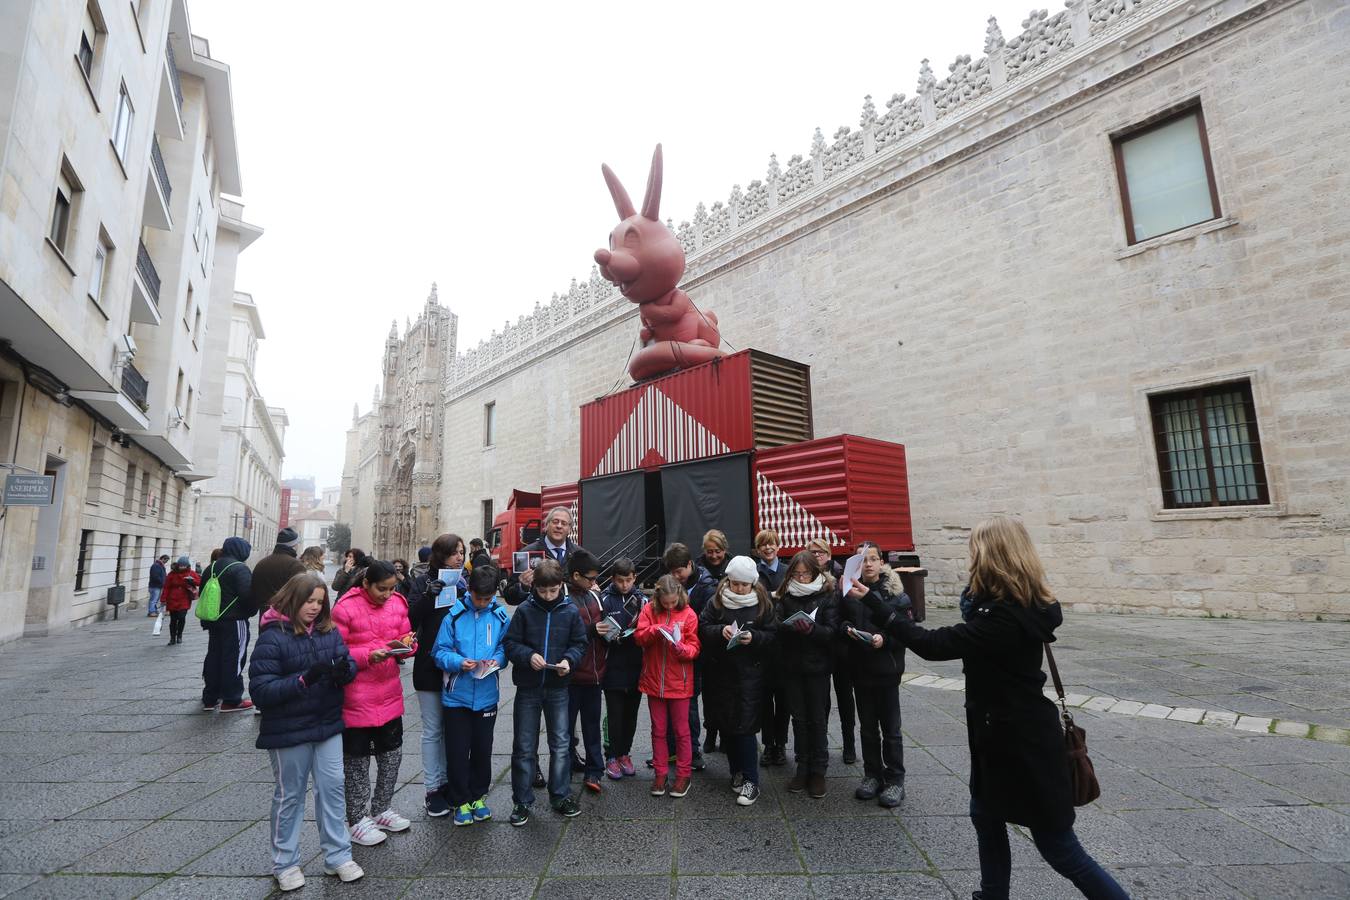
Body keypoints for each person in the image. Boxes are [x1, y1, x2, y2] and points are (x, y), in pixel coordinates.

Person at [862, 517, 1130, 900]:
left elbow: (934, 645)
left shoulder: (1005, 617)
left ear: (992, 555)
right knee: (985, 818)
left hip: (1022, 745)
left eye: (974, 547)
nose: (970, 554)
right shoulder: (1007, 605)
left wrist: (875, 603)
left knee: (1061, 850)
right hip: (998, 738)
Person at [248, 572, 363, 890]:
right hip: (289, 728)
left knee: (333, 789)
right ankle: (285, 862)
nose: (314, 607)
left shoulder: (328, 631)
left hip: (326, 723)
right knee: (290, 796)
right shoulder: (273, 635)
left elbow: (346, 660)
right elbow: (261, 690)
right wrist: (303, 680)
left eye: (319, 602)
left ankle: (338, 856)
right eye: (309, 601)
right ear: (293, 600)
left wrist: (345, 671)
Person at [332, 560, 415, 847]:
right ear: (365, 583)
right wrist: (369, 654)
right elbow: (336, 650)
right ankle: (356, 817)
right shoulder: (345, 607)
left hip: (389, 691)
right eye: (382, 589)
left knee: (392, 756)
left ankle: (382, 808)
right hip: (356, 696)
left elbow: (406, 635)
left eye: (392, 589)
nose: (388, 595)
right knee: (356, 762)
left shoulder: (398, 603)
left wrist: (407, 645)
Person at [502, 558, 586, 826]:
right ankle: (522, 801)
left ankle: (560, 795)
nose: (548, 596)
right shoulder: (525, 610)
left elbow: (579, 643)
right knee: (524, 746)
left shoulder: (570, 610)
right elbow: (511, 644)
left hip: (558, 687)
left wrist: (569, 661)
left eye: (552, 590)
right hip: (528, 686)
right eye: (542, 591)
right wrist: (529, 656)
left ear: (561, 585)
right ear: (534, 587)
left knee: (561, 744)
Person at [432, 564, 509, 827]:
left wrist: (496, 661)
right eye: (479, 598)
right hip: (457, 696)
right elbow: (439, 651)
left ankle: (478, 795)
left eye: (488, 599)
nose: (483, 603)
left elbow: (504, 647)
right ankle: (460, 799)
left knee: (482, 749)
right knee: (457, 749)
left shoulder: (499, 615)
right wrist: (457, 661)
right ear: (470, 591)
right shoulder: (454, 615)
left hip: (487, 694)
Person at [698, 555, 777, 807]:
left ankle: (751, 780)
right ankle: (736, 772)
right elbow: (702, 627)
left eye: (744, 584)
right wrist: (719, 632)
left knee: (745, 728)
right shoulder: (717, 601)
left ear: (753, 583)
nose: (739, 588)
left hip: (750, 675)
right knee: (728, 725)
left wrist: (753, 637)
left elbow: (774, 635)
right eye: (735, 584)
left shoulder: (763, 603)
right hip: (721, 674)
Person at [838, 541, 910, 808]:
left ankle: (895, 780)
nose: (867, 564)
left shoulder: (896, 595)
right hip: (860, 668)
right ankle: (872, 775)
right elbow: (840, 619)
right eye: (862, 560)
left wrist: (884, 640)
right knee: (868, 728)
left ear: (882, 562)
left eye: (872, 559)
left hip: (887, 669)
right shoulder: (849, 593)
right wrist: (847, 629)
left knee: (891, 729)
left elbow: (905, 631)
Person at [408, 533, 466, 817]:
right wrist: (428, 596)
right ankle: (432, 788)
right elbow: (410, 619)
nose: (460, 557)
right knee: (432, 729)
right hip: (429, 662)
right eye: (455, 553)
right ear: (441, 554)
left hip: (457, 664)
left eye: (462, 552)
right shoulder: (421, 581)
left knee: (453, 728)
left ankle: (449, 781)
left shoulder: (464, 582)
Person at [773, 549, 839, 799]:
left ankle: (818, 770)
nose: (801, 579)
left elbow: (832, 631)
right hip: (792, 665)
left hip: (817, 666)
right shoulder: (784, 595)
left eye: (806, 574)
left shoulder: (827, 594)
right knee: (798, 718)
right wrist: (790, 628)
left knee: (817, 718)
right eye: (797, 574)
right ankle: (802, 765)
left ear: (815, 573)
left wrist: (812, 630)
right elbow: (776, 625)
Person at [635, 574, 701, 799]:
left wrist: (682, 649)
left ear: (680, 596)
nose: (670, 605)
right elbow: (639, 638)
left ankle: (683, 775)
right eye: (666, 603)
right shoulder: (649, 611)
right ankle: (661, 773)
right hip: (655, 681)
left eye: (673, 602)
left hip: (679, 682)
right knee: (658, 730)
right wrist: (654, 630)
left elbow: (694, 648)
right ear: (658, 597)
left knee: (682, 732)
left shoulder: (689, 614)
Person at [662, 543, 716, 769]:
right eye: (672, 572)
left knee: (690, 705)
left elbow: (705, 622)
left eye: (680, 572)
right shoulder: (671, 584)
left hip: (695, 656)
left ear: (690, 565)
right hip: (673, 655)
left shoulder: (706, 587)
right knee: (671, 706)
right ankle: (673, 750)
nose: (676, 577)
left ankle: (692, 752)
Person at [564, 551, 608, 794]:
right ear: (576, 575)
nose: (594, 583)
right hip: (572, 674)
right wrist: (592, 630)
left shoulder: (594, 595)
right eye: (590, 578)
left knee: (592, 725)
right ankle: (567, 764)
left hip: (595, 672)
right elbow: (565, 631)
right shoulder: (563, 597)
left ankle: (594, 770)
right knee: (566, 727)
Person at [809, 538, 855, 765]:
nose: (817, 556)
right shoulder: (807, 578)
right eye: (813, 552)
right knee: (822, 699)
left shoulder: (840, 578)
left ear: (829, 555)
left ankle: (849, 745)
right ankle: (822, 742)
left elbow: (849, 608)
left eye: (821, 552)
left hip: (842, 645)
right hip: (822, 645)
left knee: (845, 697)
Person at [599, 557, 645, 780]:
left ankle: (625, 753)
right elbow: (599, 630)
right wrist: (608, 636)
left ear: (635, 577)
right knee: (614, 714)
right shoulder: (605, 599)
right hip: (612, 667)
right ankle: (611, 755)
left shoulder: (642, 600)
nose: (625, 585)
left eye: (628, 580)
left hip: (636, 665)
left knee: (631, 714)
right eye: (620, 580)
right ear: (612, 579)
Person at [201, 537, 256, 713]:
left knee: (214, 656)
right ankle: (232, 699)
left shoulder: (211, 567)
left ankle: (210, 697)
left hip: (213, 620)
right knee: (234, 658)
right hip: (234, 621)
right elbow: (248, 596)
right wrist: (251, 611)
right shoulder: (239, 568)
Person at [504, 507, 582, 606]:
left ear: (570, 529)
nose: (559, 526)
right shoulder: (526, 554)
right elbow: (509, 598)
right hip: (537, 617)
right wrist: (522, 587)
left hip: (570, 617)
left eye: (564, 523)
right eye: (555, 521)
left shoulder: (579, 554)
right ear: (546, 525)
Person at [251, 528, 307, 615]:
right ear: (294, 545)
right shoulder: (295, 566)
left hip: (265, 614)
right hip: (287, 614)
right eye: (297, 543)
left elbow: (254, 590)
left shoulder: (262, 563)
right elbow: (301, 593)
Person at [161, 556, 198, 646]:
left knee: (182, 617)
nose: (182, 567)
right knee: (173, 620)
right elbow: (166, 587)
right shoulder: (172, 574)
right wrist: (163, 598)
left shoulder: (191, 573)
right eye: (180, 565)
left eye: (184, 566)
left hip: (184, 599)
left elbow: (199, 581)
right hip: (172, 599)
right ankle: (172, 638)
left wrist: (192, 581)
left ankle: (179, 635)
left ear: (187, 565)